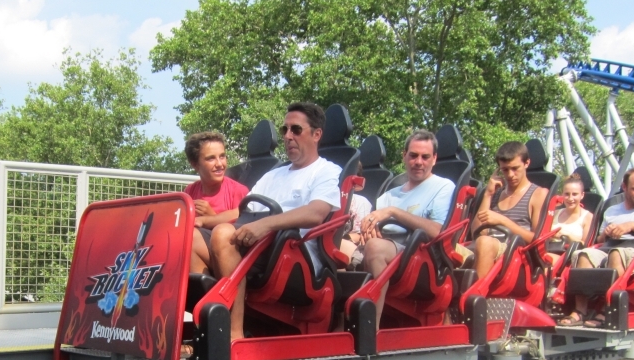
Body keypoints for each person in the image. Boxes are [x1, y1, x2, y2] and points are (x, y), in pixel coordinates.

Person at [207, 102, 341, 341]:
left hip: (294, 256)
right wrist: (201, 220)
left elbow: (316, 213)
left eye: (296, 130)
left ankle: (233, 334)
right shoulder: (273, 174)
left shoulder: (326, 171)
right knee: (191, 241)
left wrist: (265, 225)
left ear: (317, 134)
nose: (288, 137)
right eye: (285, 130)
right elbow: (243, 211)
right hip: (259, 245)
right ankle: (209, 327)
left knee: (222, 235)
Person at [359, 130, 455, 325]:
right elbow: (375, 228)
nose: (418, 162)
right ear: (404, 156)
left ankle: (371, 328)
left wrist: (394, 212)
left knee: (375, 248)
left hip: (420, 258)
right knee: (339, 249)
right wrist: (365, 230)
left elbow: (437, 231)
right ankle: (337, 322)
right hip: (383, 247)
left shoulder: (443, 187)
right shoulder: (388, 195)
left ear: (434, 159)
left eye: (425, 157)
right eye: (413, 155)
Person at [559, 167, 634, 327]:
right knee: (584, 254)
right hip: (607, 247)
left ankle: (608, 309)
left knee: (616, 254)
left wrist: (633, 226)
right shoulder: (611, 210)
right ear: (624, 187)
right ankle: (581, 310)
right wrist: (607, 233)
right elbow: (599, 239)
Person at [469, 142, 548, 281]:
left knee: (484, 243)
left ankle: (474, 297)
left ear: (527, 163)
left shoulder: (538, 194)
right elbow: (476, 232)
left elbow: (538, 240)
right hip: (485, 247)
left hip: (518, 256)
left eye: (515, 168)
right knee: (450, 250)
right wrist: (488, 194)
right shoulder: (495, 194)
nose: (510, 175)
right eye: (505, 170)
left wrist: (502, 220)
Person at [183, 132, 249, 275]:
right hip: (201, 257)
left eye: (222, 156)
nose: (220, 164)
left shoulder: (238, 191)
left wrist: (211, 218)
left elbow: (242, 230)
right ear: (195, 164)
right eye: (211, 158)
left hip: (234, 257)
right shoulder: (190, 191)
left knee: (192, 237)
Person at [551, 174, 593, 246]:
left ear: (582, 195)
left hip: (571, 254)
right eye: (567, 194)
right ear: (562, 194)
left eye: (574, 194)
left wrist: (568, 236)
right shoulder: (554, 213)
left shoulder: (588, 217)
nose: (570, 198)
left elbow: (587, 246)